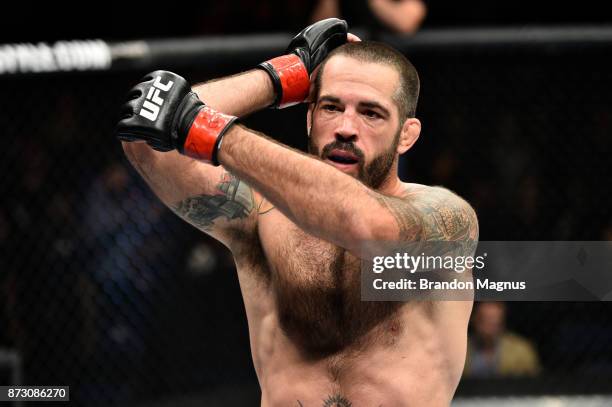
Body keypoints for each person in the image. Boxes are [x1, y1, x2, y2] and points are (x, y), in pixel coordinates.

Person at [116, 18, 478, 407]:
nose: (345, 128)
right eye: (330, 107)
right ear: (308, 117)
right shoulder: (262, 215)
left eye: (371, 113)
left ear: (406, 135)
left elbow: (366, 227)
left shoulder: (445, 217)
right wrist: (282, 76)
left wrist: (208, 129)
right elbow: (148, 141)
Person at [464, 302, 541, 378]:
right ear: (474, 320)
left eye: (494, 323)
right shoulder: (460, 349)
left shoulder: (521, 350)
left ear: (502, 323)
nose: (489, 329)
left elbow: (535, 382)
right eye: (485, 321)